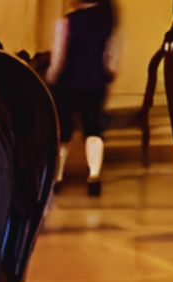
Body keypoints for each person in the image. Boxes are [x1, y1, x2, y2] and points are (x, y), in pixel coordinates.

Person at [47, 0, 119, 195]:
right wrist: (108, 72)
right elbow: (112, 52)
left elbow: (58, 58)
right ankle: (94, 177)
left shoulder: (66, 22)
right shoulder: (107, 19)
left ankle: (58, 178)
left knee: (63, 133)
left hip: (67, 85)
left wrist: (50, 79)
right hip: (95, 83)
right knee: (93, 129)